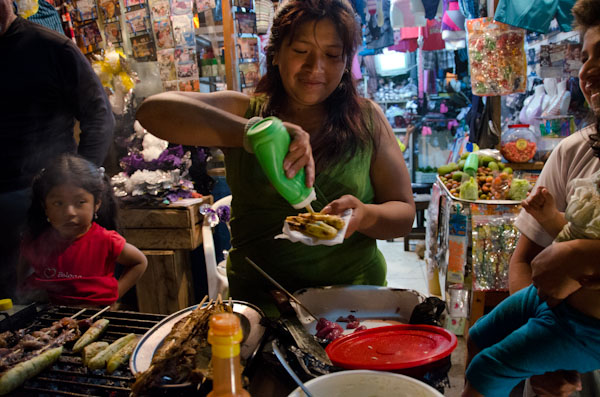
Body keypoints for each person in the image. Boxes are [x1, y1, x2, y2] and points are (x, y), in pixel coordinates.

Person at [135, 0, 415, 315]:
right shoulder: (246, 111)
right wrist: (254, 134)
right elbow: (152, 111)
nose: (315, 68)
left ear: (346, 60)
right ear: (276, 53)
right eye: (300, 51)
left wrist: (366, 215)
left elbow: (404, 215)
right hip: (263, 308)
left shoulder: (367, 120)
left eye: (332, 55)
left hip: (353, 304)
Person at [507, 0, 600, 395]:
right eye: (586, 56)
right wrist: (540, 344)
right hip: (566, 362)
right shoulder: (572, 153)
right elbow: (523, 261)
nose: (587, 72)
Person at [0, 0, 115, 300]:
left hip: (41, 202)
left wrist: (79, 183)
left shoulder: (51, 48)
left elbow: (99, 115)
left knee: (46, 302)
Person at [461, 183, 600, 397]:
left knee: (487, 371)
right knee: (478, 335)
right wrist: (550, 217)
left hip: (583, 329)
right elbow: (580, 231)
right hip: (546, 299)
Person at [17, 154, 147, 307]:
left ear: (96, 204)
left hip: (94, 316)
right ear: (44, 206)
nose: (70, 212)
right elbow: (24, 258)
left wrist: (114, 295)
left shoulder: (105, 240)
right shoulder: (38, 239)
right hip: (49, 315)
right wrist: (21, 289)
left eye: (80, 202)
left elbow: (139, 262)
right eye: (58, 203)